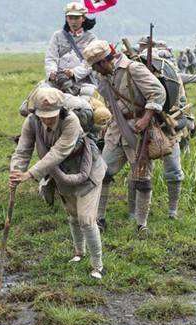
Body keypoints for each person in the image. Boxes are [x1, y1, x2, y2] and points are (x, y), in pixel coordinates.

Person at [10, 87, 107, 279]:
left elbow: (57, 153)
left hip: (86, 170)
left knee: (87, 220)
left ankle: (98, 266)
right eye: (43, 116)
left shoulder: (71, 121)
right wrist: (15, 171)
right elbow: (23, 150)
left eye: (51, 116)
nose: (47, 120)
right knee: (72, 215)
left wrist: (30, 174)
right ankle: (79, 253)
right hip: (60, 173)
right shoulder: (31, 122)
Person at [83, 39, 166, 235]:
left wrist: (146, 118)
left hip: (137, 130)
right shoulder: (104, 78)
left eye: (96, 66)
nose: (95, 71)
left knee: (142, 177)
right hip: (115, 131)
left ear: (104, 61)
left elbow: (158, 93)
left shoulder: (133, 69)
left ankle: (141, 224)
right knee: (102, 173)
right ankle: (99, 219)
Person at [45, 2, 98, 95]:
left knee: (89, 101)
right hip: (57, 81)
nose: (73, 21)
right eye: (70, 18)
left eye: (77, 18)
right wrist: (52, 72)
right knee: (38, 98)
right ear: (66, 18)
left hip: (82, 83)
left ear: (83, 18)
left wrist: (73, 73)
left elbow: (89, 62)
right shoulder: (57, 36)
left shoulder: (91, 38)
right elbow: (51, 58)